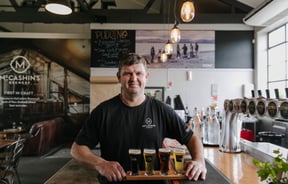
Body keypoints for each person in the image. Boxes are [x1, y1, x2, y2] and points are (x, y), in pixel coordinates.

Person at [71, 53, 207, 183]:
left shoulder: (161, 110)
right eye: (127, 73)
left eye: (138, 73)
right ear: (119, 77)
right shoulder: (103, 111)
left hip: (154, 183)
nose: (133, 78)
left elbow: (192, 138)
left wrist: (199, 161)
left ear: (146, 76)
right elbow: (77, 149)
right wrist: (100, 164)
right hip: (116, 182)